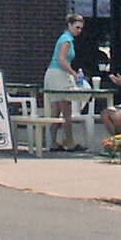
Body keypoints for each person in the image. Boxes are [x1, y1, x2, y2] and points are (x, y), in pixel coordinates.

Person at [45, 13, 88, 152]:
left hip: (52, 73)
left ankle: (53, 142)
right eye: (77, 27)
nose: (79, 31)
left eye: (81, 28)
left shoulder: (64, 38)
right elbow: (62, 59)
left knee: (56, 110)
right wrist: (74, 74)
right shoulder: (67, 40)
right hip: (59, 74)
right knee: (66, 109)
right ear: (69, 25)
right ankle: (70, 142)